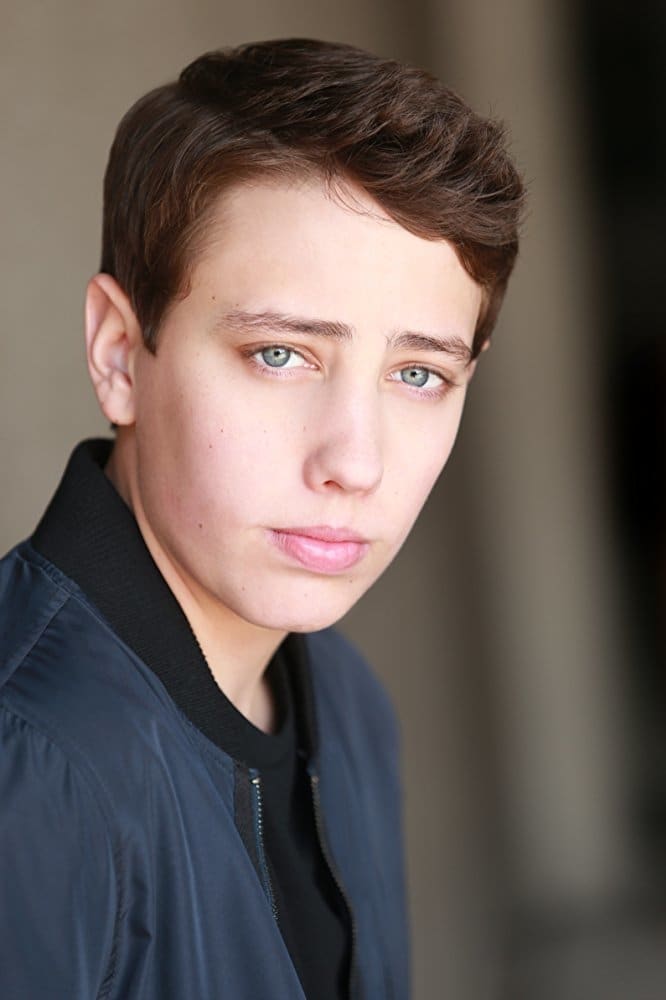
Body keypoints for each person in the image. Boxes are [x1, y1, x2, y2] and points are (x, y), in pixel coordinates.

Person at [0, 38, 523, 999]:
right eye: (281, 355)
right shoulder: (27, 761)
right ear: (119, 354)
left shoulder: (348, 704)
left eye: (418, 375)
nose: (354, 463)